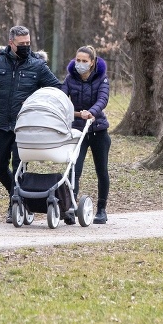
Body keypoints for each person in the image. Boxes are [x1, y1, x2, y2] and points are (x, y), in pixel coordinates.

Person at [0, 26, 61, 222]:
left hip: (24, 127)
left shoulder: (37, 66)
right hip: (1, 125)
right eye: (22, 44)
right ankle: (18, 196)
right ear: (11, 43)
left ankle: (15, 205)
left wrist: (37, 103)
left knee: (18, 166)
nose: (26, 47)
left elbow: (57, 89)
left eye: (28, 44)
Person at [61, 45, 111, 224]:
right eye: (78, 60)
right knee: (75, 169)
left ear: (92, 63)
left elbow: (103, 99)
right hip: (78, 131)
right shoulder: (70, 79)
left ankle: (102, 210)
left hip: (98, 129)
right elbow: (61, 98)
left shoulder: (101, 79)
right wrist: (71, 112)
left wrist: (92, 112)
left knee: (101, 170)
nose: (80, 64)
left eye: (84, 61)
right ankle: (70, 208)